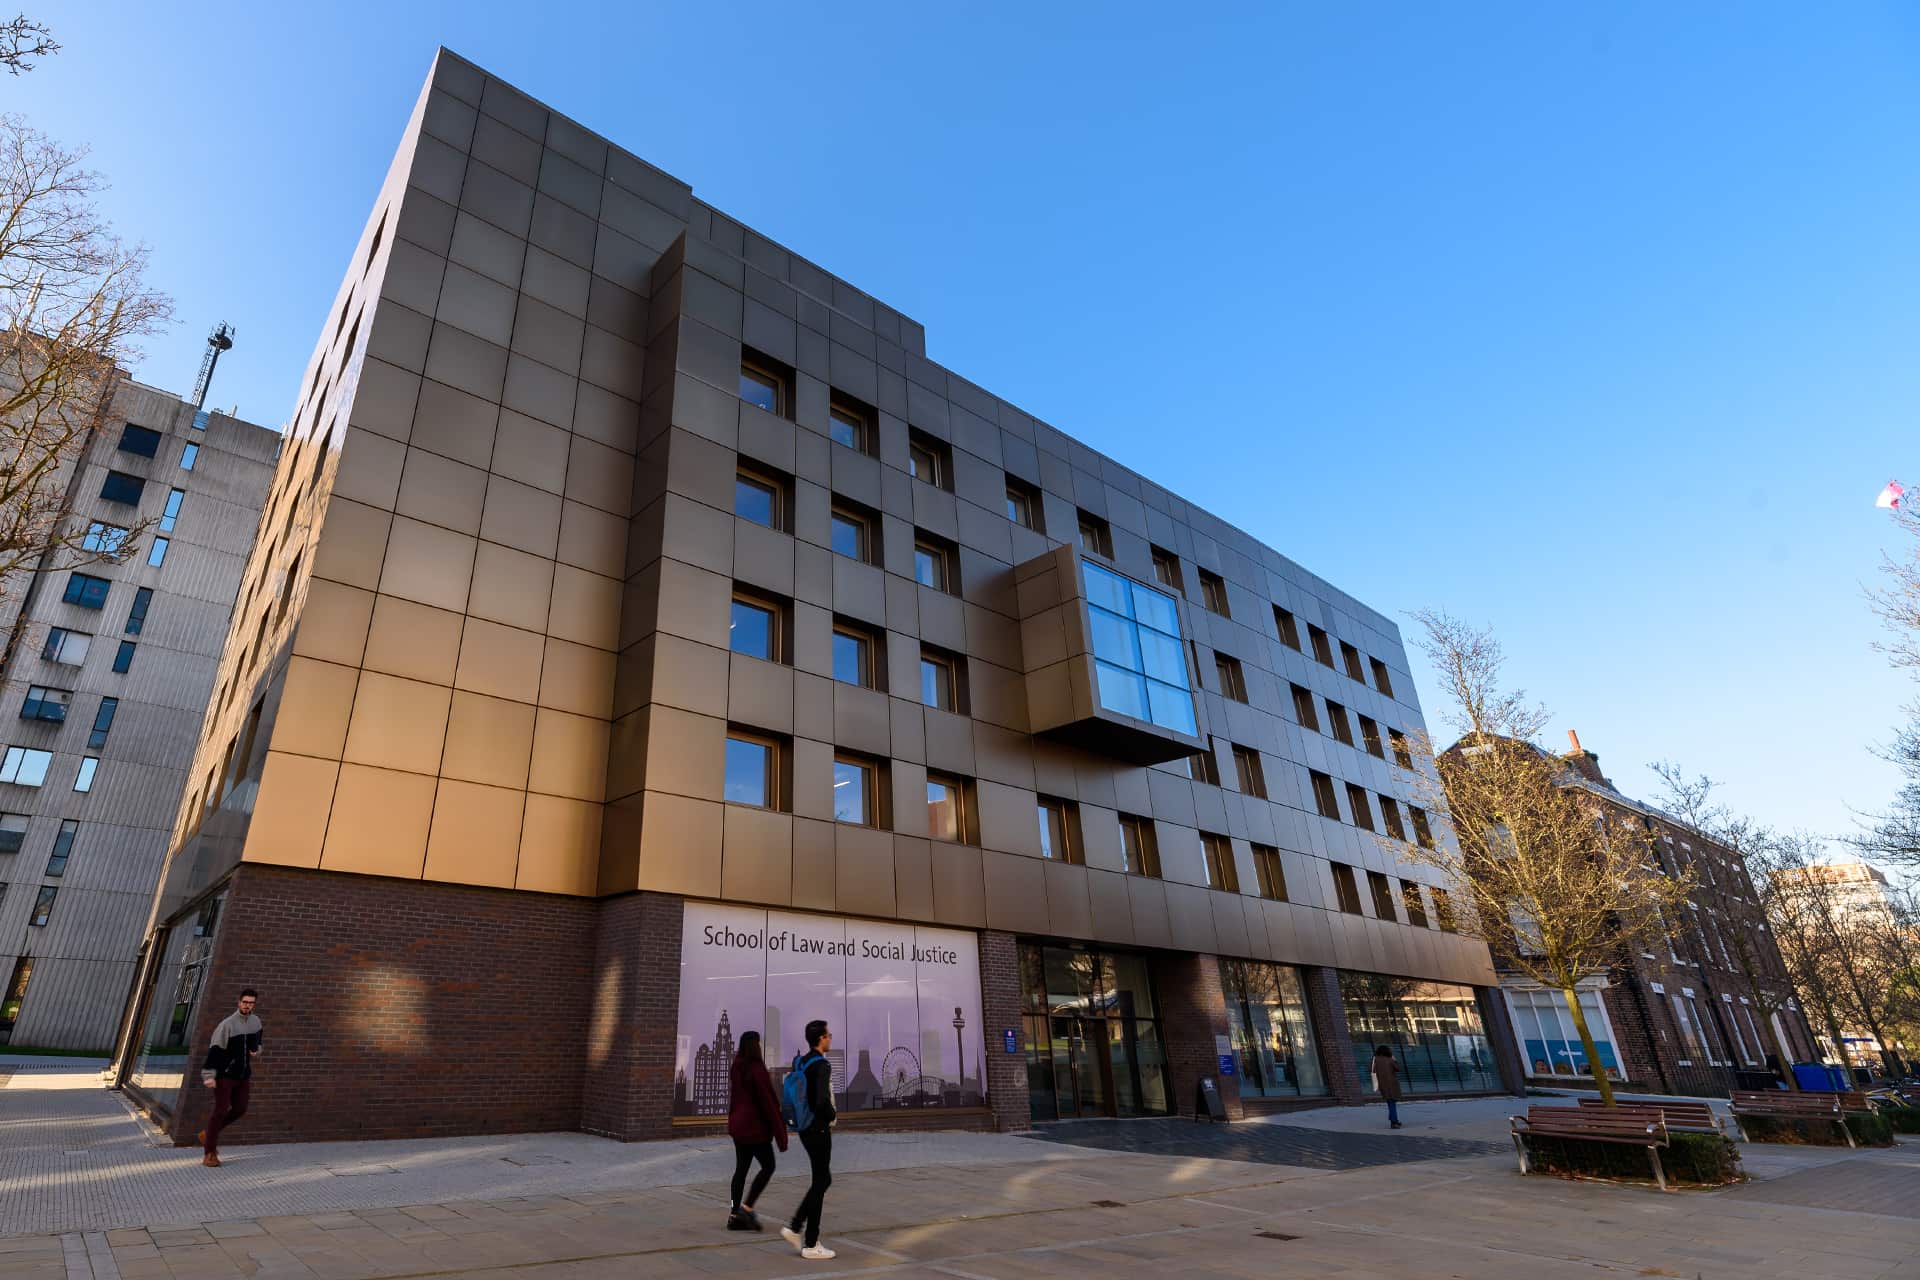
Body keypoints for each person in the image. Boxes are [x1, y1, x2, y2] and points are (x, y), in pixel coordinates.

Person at [780, 1020, 838, 1261]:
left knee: (821, 1180)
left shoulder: (801, 1062)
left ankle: (804, 1235)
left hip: (804, 1129)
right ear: (821, 1039)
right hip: (818, 1129)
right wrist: (832, 1115)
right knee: (822, 1180)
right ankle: (803, 1235)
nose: (830, 1038)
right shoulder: (822, 1065)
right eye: (828, 1035)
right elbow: (820, 1101)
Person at [725, 1030, 786, 1231]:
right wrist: (780, 1134)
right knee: (768, 1166)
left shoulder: (736, 1067)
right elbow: (768, 1102)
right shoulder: (757, 1069)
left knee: (740, 1170)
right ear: (756, 1045)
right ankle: (747, 1207)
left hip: (739, 1127)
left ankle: (734, 1214)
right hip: (755, 1129)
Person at [198, 989, 262, 1166]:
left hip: (243, 1074)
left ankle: (208, 1134)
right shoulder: (227, 1025)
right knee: (220, 1110)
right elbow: (215, 1051)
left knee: (240, 1109)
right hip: (224, 1075)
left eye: (251, 1003)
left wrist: (257, 1050)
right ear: (239, 1002)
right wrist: (209, 1075)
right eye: (244, 1002)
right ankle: (209, 1152)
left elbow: (258, 1042)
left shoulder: (256, 1022)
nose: (247, 1005)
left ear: (254, 1005)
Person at [1372, 1044, 1402, 1129]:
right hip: (1392, 1084)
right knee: (1392, 1102)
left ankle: (1394, 1119)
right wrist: (1394, 1060)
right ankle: (1394, 1122)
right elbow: (1398, 1069)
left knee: (1390, 1102)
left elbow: (1371, 1070)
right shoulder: (1390, 1059)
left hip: (1382, 1084)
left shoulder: (1375, 1059)